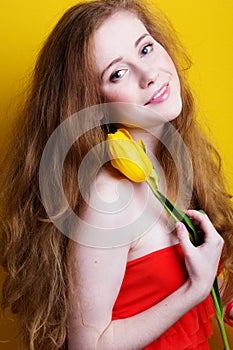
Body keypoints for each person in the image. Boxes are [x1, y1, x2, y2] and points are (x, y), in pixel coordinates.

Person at [0, 0, 233, 349]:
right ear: (91, 105)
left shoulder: (176, 160)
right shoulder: (110, 195)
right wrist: (193, 290)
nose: (149, 73)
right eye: (117, 73)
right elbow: (88, 345)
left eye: (146, 48)